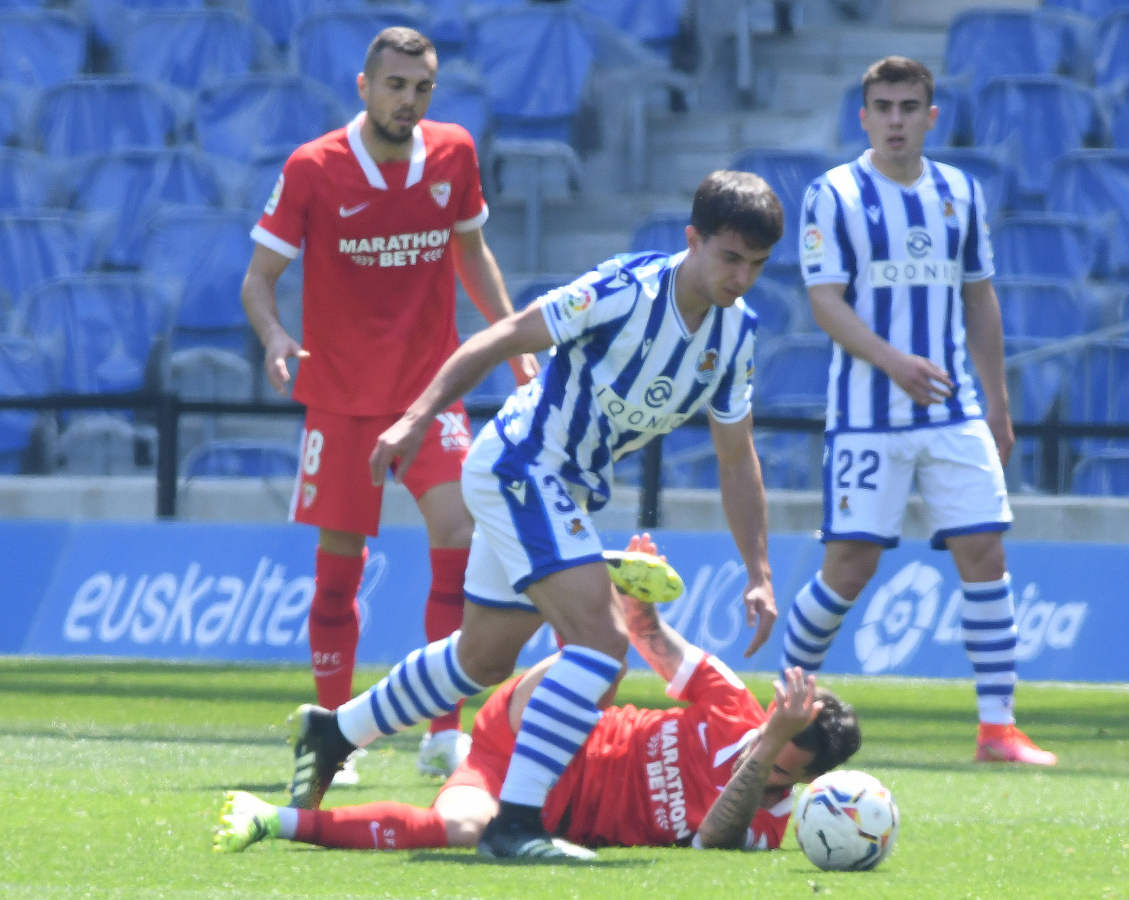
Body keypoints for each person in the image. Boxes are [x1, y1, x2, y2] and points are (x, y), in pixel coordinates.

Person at [279, 169, 787, 859]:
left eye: (756, 265)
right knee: (600, 648)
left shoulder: (735, 336)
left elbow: (736, 458)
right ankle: (516, 823)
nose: (741, 278)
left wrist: (756, 569)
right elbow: (505, 336)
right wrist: (416, 419)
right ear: (692, 239)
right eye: (731, 258)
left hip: (564, 488)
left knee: (483, 658)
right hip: (522, 464)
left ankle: (335, 732)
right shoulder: (624, 289)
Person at [240, 26, 537, 781]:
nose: (409, 100)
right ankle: (333, 736)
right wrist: (275, 335)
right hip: (339, 398)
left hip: (430, 388)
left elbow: (471, 252)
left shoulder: (454, 154)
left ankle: (444, 730)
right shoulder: (313, 167)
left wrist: (515, 346)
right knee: (338, 570)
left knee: (458, 533)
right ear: (364, 87)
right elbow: (258, 279)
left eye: (422, 88)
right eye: (396, 85)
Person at [213, 537, 861, 855]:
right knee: (602, 655)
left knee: (458, 828)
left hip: (524, 793)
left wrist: (774, 740)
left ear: (802, 782)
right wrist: (634, 598)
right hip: (542, 724)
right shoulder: (729, 704)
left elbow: (710, 842)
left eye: (777, 758)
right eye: (770, 727)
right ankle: (574, 573)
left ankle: (271, 818)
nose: (763, 743)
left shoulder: (767, 827)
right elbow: (649, 636)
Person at [783, 55, 1055, 766]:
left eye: (909, 107)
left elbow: (979, 296)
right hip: (866, 413)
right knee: (849, 566)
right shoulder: (833, 194)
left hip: (951, 409)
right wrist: (892, 362)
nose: (896, 120)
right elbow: (823, 300)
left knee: (984, 553)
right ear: (863, 115)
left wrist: (996, 404)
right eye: (883, 107)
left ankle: (997, 728)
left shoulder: (959, 193)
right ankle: (780, 707)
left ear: (931, 117)